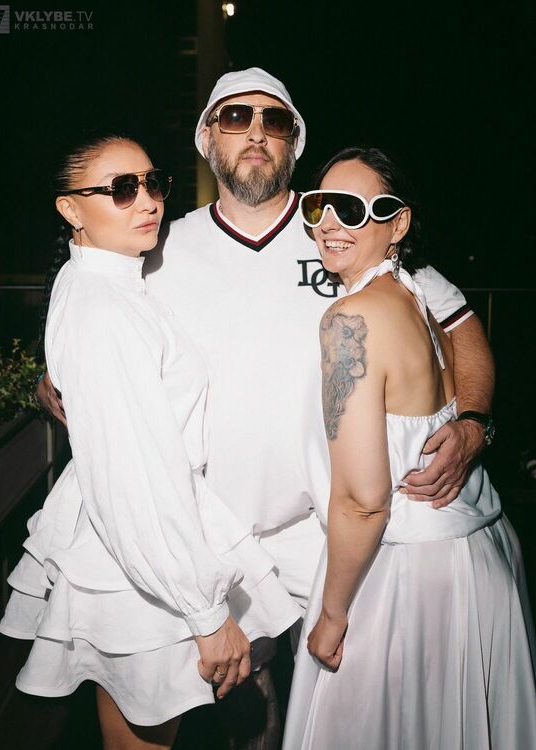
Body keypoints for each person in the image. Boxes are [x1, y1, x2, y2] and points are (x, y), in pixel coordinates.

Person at [37, 69, 496, 744]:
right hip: (212, 535)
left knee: (343, 716)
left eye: (273, 120)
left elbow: (460, 329)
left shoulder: (341, 225)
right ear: (206, 138)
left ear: (294, 140)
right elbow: (103, 329)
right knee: (237, 715)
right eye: (234, 117)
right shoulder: (157, 243)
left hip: (329, 531)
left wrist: (473, 423)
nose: (254, 132)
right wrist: (56, 378)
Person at [0, 134, 301, 750]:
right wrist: (205, 613)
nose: (147, 201)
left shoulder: (105, 282)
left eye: (152, 182)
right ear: (70, 208)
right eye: (121, 189)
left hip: (145, 546)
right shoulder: (105, 308)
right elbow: (134, 478)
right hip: (144, 557)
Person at [282, 147, 536, 750]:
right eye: (319, 206)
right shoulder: (414, 297)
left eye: (352, 209)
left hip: (401, 578)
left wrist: (333, 614)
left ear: (397, 224)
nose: (329, 223)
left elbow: (365, 501)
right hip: (474, 560)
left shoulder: (350, 319)